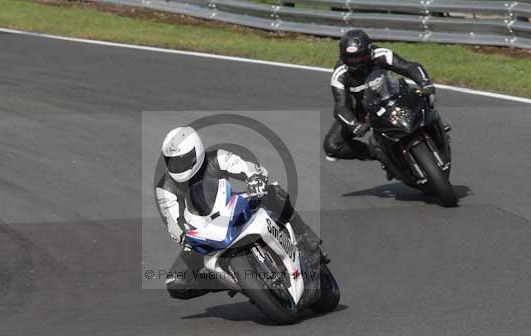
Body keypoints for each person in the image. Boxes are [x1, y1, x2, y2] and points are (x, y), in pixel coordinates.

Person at [155, 126, 326, 299]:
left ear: (197, 151)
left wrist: (255, 179)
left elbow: (248, 167)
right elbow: (172, 220)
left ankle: (306, 239)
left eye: (182, 161)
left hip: (230, 208)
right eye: (171, 162)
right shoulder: (165, 188)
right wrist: (183, 236)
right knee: (176, 283)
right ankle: (234, 281)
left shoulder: (217, 157)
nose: (177, 167)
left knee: (273, 192)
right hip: (203, 232)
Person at [324, 29, 436, 162]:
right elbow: (340, 106)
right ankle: (379, 154)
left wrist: (425, 82)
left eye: (361, 56)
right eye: (351, 57)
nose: (356, 61)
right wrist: (354, 124)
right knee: (332, 146)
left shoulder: (381, 54)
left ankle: (434, 127)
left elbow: (408, 66)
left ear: (369, 51)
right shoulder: (340, 74)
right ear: (343, 56)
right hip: (366, 111)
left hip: (395, 97)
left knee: (426, 97)